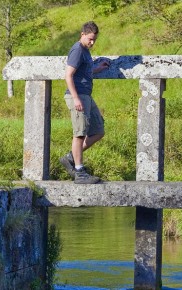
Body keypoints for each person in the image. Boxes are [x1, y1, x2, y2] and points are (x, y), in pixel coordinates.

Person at [59, 21, 110, 184]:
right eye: (90, 39)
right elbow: (68, 75)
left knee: (98, 130)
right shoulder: (77, 50)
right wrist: (75, 98)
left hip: (86, 95)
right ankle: (80, 172)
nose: (92, 42)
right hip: (78, 95)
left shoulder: (85, 51)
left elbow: (84, 71)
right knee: (80, 134)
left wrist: (98, 69)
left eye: (94, 39)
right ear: (82, 35)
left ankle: (70, 158)